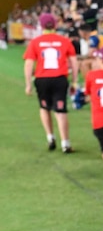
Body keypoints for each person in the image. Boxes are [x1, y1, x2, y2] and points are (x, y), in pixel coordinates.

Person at [23, 13, 78, 153]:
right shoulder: (64, 41)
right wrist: (75, 81)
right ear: (55, 25)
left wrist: (28, 83)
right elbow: (74, 62)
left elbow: (29, 64)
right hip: (59, 78)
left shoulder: (35, 42)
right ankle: (65, 142)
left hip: (42, 79)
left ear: (41, 26)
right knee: (61, 110)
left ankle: (50, 137)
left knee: (44, 108)